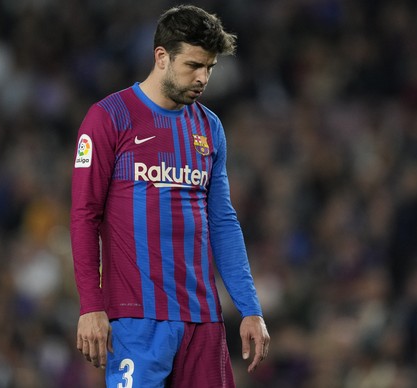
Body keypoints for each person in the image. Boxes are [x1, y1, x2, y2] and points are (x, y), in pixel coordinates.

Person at [70, 4, 270, 387]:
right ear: (161, 56)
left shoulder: (209, 127)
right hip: (136, 320)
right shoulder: (109, 118)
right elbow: (84, 215)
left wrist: (249, 308)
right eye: (193, 65)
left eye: (209, 68)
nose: (203, 78)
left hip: (203, 318)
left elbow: (223, 222)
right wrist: (91, 305)